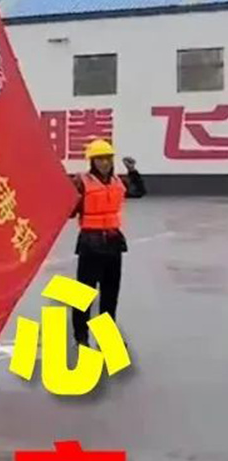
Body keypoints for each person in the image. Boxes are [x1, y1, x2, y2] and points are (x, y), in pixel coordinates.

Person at [71, 139, 146, 347]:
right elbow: (68, 211)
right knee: (84, 294)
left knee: (110, 293)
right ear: (92, 161)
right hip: (90, 244)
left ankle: (106, 336)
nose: (104, 163)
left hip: (113, 243)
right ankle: (81, 336)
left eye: (107, 158)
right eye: (99, 159)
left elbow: (138, 192)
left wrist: (133, 172)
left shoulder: (117, 181)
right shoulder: (81, 182)